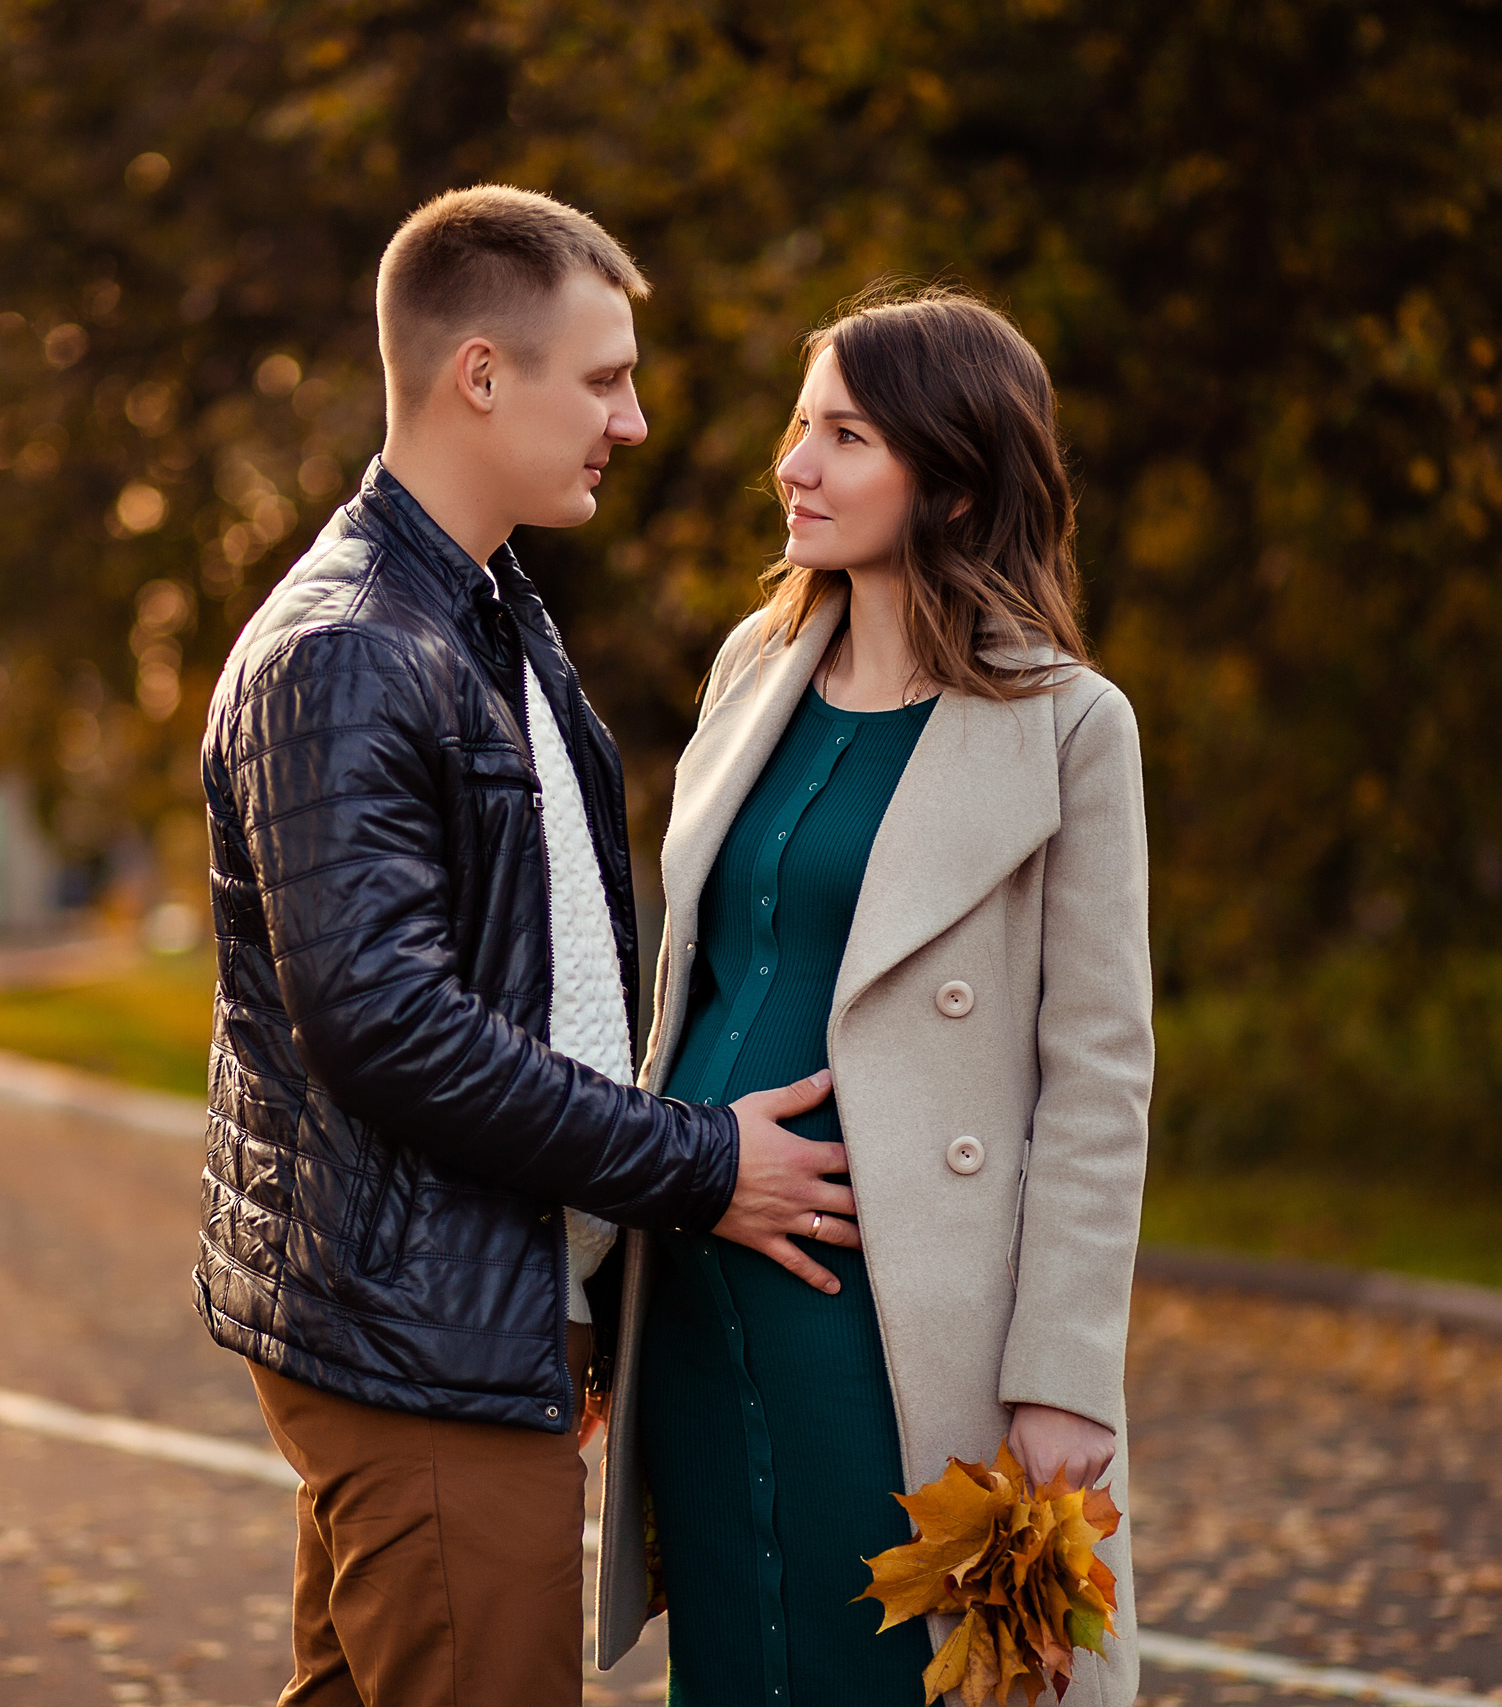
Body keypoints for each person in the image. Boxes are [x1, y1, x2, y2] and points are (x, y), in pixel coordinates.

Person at [197, 185, 852, 1707]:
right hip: (414, 1336)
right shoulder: (356, 648)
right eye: (604, 377)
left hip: (455, 1312)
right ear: (480, 374)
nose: (632, 419)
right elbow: (387, 1026)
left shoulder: (486, 609)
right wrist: (697, 1164)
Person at [595, 286, 1155, 1707]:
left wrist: (1066, 1374)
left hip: (898, 1322)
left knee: (888, 1671)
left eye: (844, 436)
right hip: (704, 1281)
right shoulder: (751, 668)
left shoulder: (1071, 730)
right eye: (800, 426)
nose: (794, 465)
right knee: (737, 1654)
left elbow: (1100, 1075)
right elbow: (694, 980)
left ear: (956, 484)